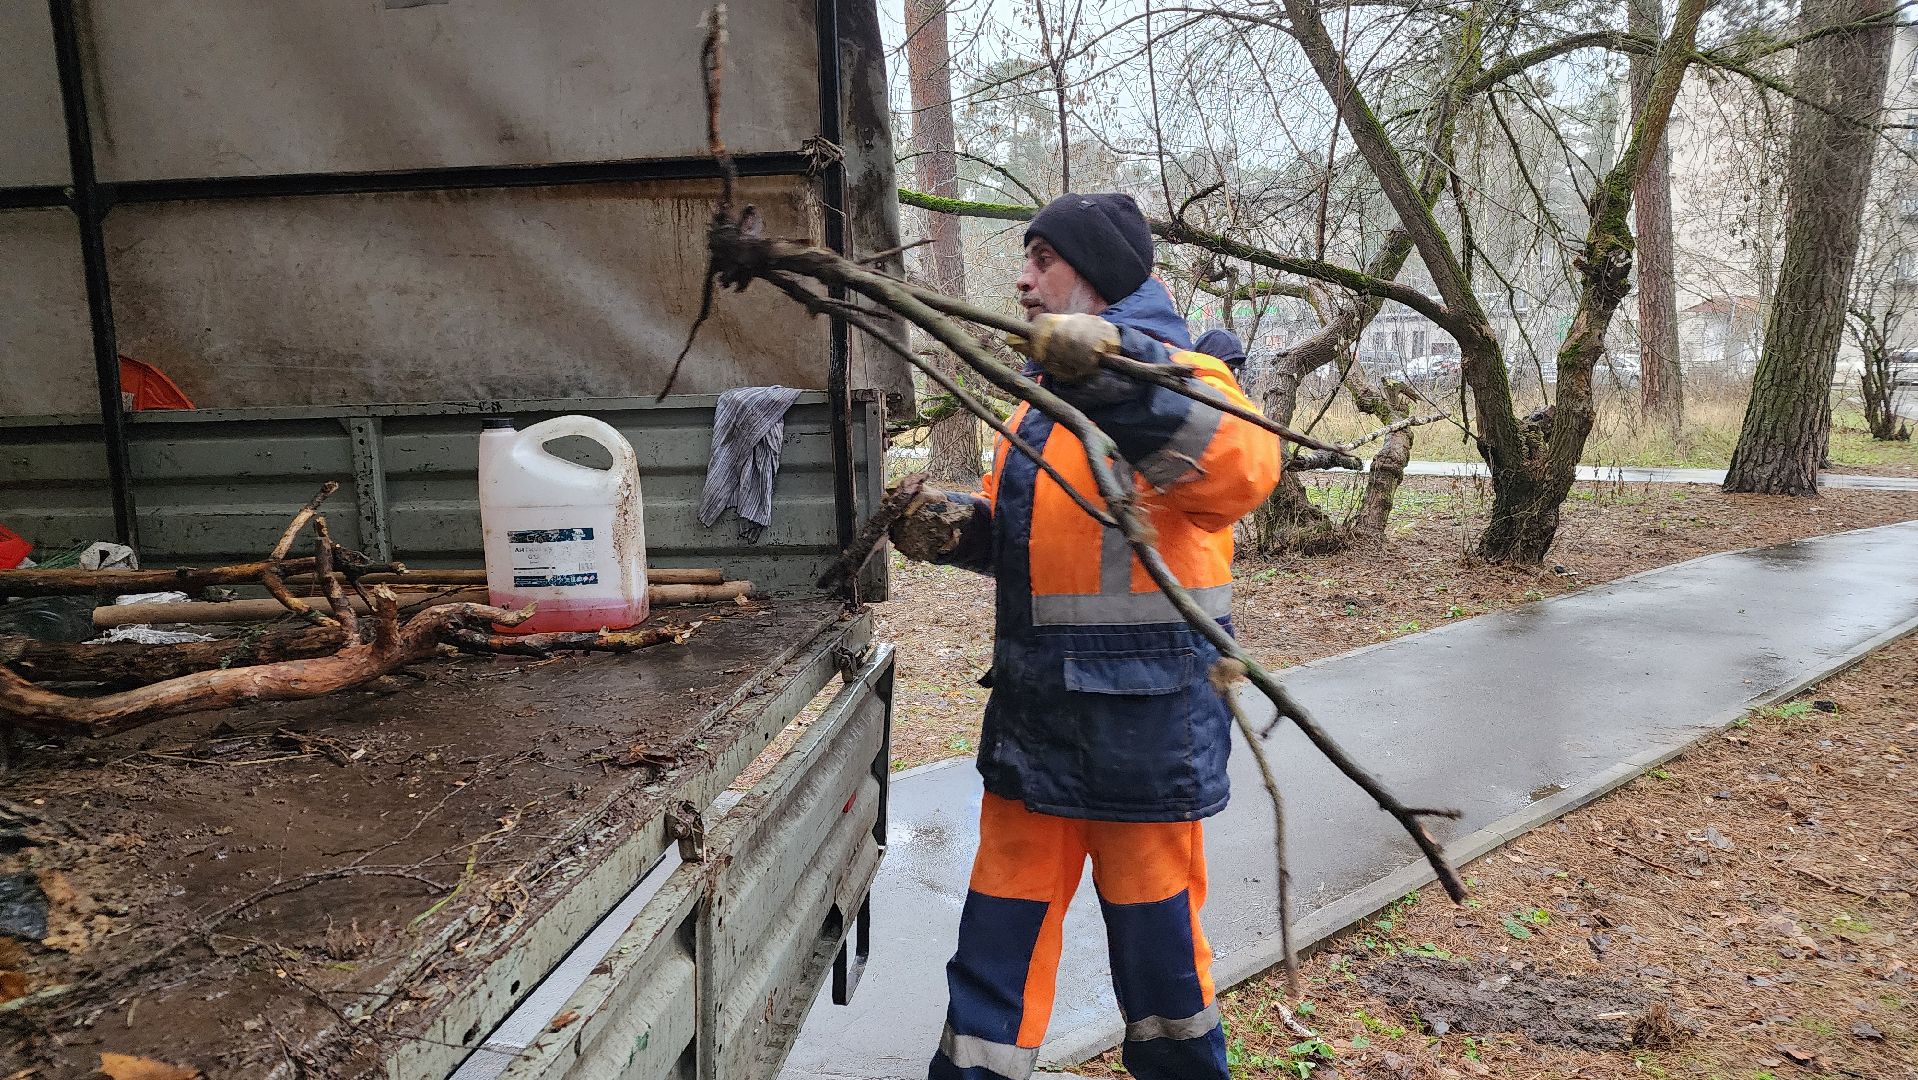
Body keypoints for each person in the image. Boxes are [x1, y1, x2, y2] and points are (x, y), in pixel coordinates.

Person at [889, 193, 1282, 1080]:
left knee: (1163, 977)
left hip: (1141, 741)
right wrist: (964, 532)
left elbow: (1242, 470)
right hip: (1037, 731)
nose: (1021, 279)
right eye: (1023, 260)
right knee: (994, 957)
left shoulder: (1181, 376)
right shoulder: (1040, 404)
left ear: (1097, 277)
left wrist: (1113, 369)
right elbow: (1060, 549)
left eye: (1042, 260)